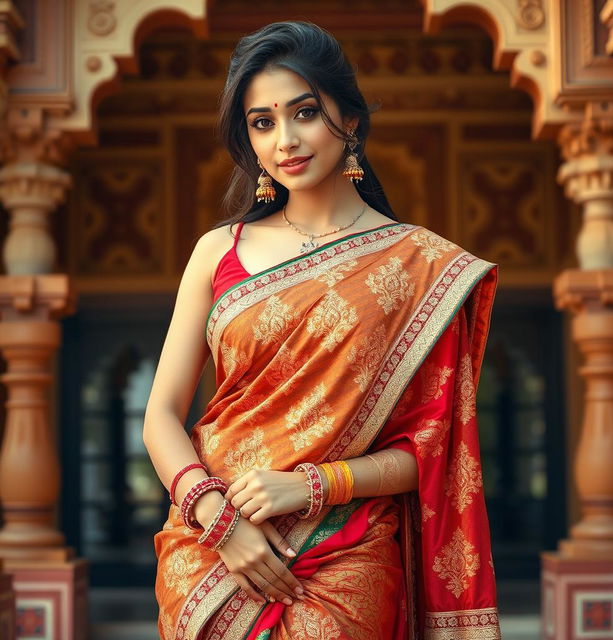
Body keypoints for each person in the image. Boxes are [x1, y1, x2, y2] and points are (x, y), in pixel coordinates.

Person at [144, 20, 501, 640]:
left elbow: (435, 455)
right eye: (262, 122)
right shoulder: (216, 252)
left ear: (351, 121)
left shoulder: (419, 267)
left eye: (305, 112)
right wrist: (220, 523)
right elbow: (160, 418)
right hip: (210, 552)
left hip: (346, 551)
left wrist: (311, 485)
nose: (285, 139)